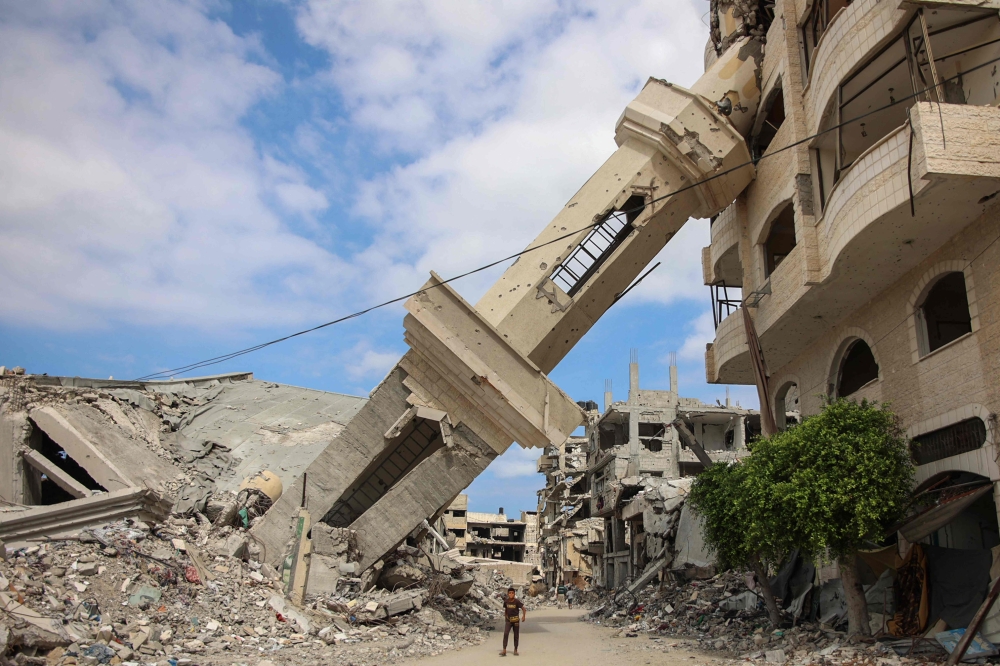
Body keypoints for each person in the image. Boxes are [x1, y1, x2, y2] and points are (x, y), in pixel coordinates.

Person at [500, 587, 526, 656]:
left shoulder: (516, 601)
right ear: (508, 594)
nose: (511, 594)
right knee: (506, 634)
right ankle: (504, 650)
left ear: (514, 594)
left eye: (512, 593)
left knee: (516, 635)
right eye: (510, 593)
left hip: (516, 621)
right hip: (508, 621)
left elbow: (523, 609)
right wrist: (505, 616)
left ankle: (515, 649)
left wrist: (523, 616)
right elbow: (506, 609)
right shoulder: (506, 602)